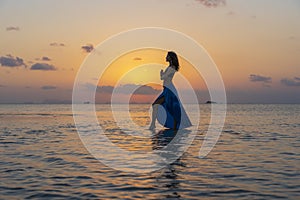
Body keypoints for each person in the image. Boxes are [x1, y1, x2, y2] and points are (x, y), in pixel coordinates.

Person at [149, 51, 192, 130]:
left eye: (167, 56)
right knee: (156, 105)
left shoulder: (172, 68)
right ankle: (153, 125)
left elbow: (163, 77)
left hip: (170, 90)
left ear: (171, 58)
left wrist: (161, 74)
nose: (166, 57)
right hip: (166, 89)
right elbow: (164, 77)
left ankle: (174, 127)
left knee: (171, 108)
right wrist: (162, 74)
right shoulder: (169, 67)